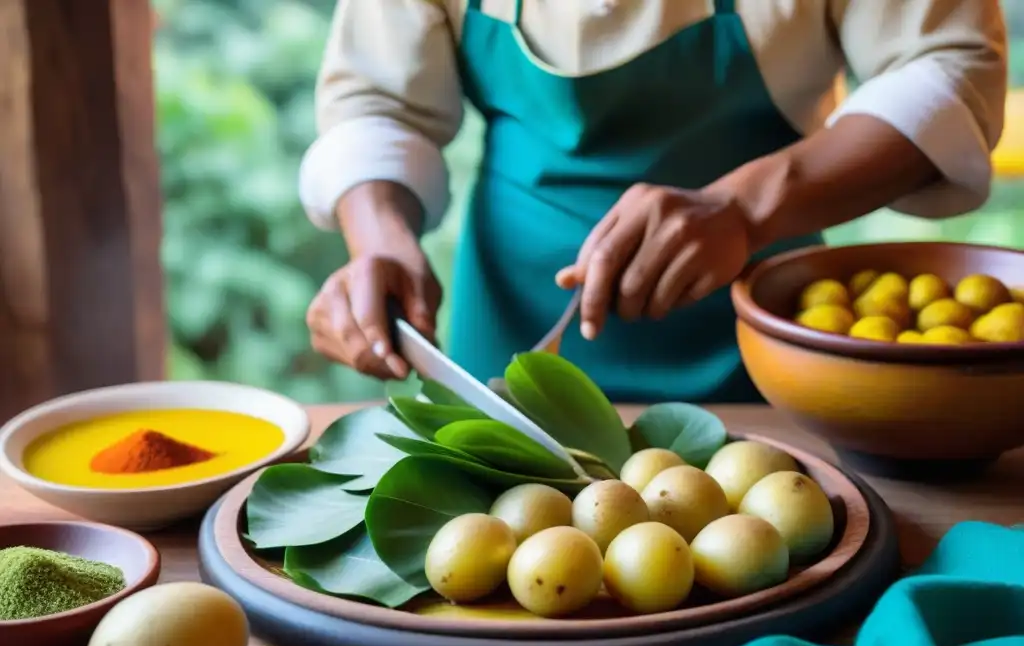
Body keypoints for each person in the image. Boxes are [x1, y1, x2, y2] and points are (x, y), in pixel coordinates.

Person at [300, 0, 1007, 404]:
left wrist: (744, 209)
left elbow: (949, 68)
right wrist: (382, 237)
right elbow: (376, 100)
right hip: (510, 343)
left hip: (767, 343)